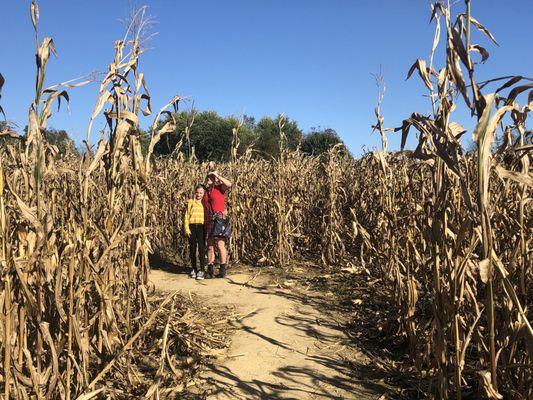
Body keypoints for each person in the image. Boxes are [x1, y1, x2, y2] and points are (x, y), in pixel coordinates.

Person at [203, 170, 232, 278]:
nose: (209, 178)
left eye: (212, 177)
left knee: (220, 244)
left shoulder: (220, 188)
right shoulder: (205, 192)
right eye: (208, 177)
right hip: (209, 219)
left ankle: (222, 269)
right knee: (210, 245)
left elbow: (229, 184)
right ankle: (210, 270)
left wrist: (217, 175)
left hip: (219, 219)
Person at [184, 184, 207, 280]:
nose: (199, 194)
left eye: (201, 193)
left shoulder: (205, 203)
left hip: (202, 227)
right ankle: (193, 268)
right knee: (192, 249)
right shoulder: (190, 202)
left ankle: (202, 270)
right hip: (192, 227)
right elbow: (186, 216)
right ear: (194, 192)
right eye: (197, 192)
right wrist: (187, 229)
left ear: (204, 193)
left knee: (202, 249)